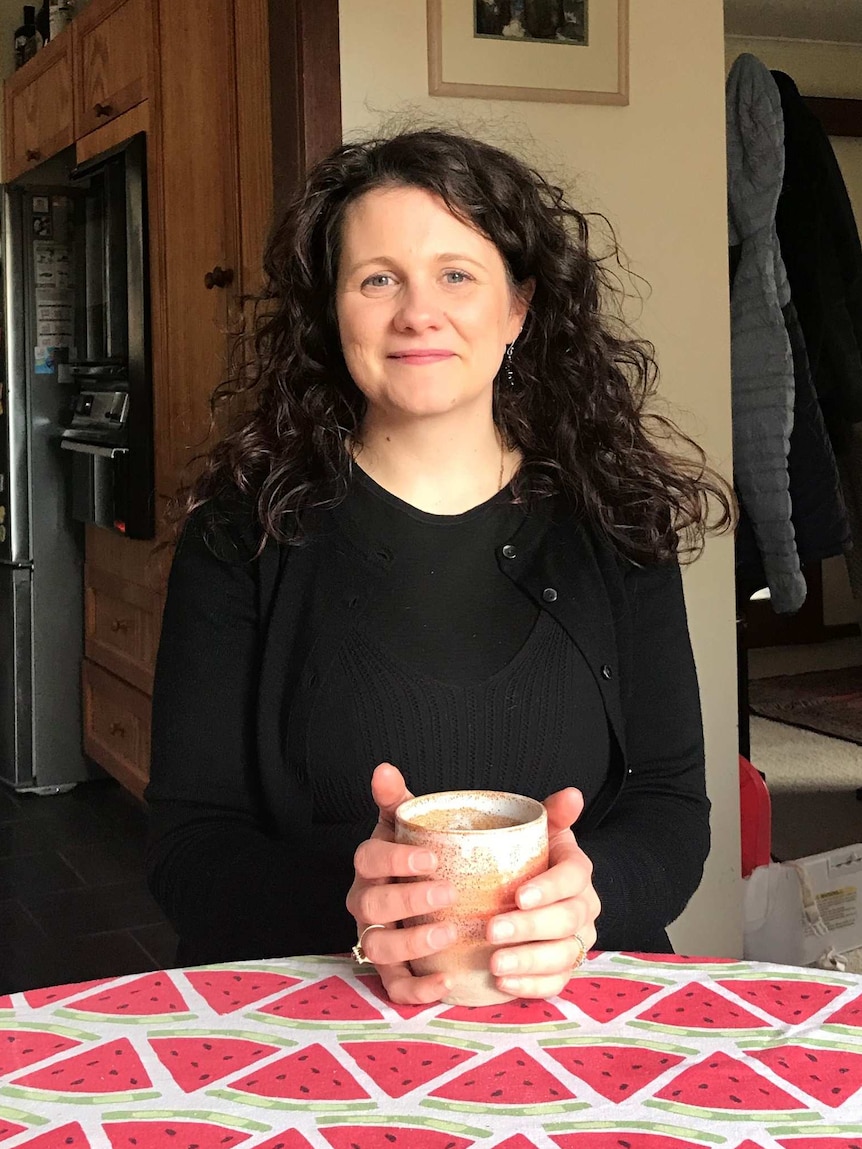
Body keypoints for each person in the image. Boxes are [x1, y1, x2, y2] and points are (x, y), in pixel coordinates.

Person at [146, 127, 733, 1005]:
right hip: (309, 1014)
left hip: (576, 1008)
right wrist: (348, 905)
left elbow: (673, 805)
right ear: (332, 311)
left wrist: (588, 900)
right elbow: (189, 844)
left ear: (519, 308)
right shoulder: (242, 534)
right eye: (378, 278)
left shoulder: (617, 522)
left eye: (457, 274)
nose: (418, 312)